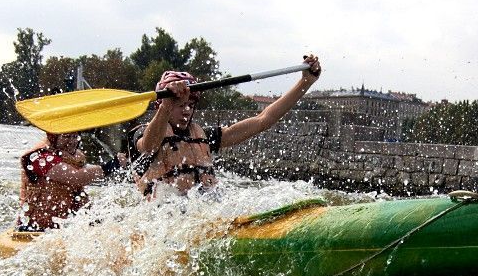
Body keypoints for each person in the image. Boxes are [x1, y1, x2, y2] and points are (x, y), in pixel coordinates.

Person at [128, 54, 322, 197]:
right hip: (164, 220)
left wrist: (305, 83)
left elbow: (263, 120)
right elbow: (149, 146)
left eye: (190, 104)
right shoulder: (142, 133)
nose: (186, 110)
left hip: (205, 213)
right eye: (180, 105)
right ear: (162, 105)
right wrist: (167, 105)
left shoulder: (204, 136)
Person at [17, 131, 123, 231]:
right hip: (31, 228)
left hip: (56, 229)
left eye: (75, 136)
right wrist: (113, 164)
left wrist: (95, 220)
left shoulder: (75, 158)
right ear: (53, 137)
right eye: (66, 137)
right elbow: (76, 177)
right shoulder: (39, 158)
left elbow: (79, 194)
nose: (72, 141)